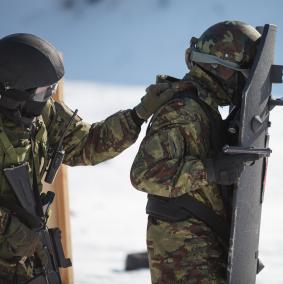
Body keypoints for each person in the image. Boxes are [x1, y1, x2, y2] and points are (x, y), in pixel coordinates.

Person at [0, 33, 173, 283]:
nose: (48, 97)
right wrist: (10, 228)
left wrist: (139, 113)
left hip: (23, 260)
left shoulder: (41, 115)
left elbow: (89, 143)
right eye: (41, 91)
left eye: (51, 89)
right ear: (13, 91)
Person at [130, 21, 261, 283]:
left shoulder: (203, 109)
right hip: (183, 253)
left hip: (200, 244)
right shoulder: (183, 111)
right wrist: (212, 170)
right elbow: (144, 174)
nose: (242, 84)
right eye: (241, 75)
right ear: (220, 69)